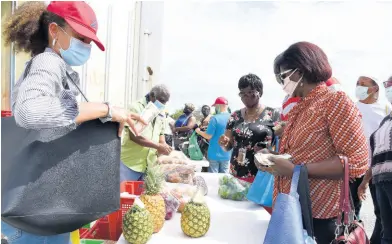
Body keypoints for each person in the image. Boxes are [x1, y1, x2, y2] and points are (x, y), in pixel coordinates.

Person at [1, 1, 145, 243]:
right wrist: (105, 108)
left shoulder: (57, 66)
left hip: (43, 211)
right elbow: (30, 112)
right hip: (36, 218)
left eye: (90, 41)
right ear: (55, 31)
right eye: (82, 38)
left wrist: (104, 113)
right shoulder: (47, 63)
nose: (86, 46)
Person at [259, 42, 368, 244]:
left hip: (322, 213)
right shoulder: (301, 108)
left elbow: (355, 162)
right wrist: (273, 159)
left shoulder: (334, 101)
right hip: (295, 208)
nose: (281, 82)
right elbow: (301, 152)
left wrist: (295, 169)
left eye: (283, 76)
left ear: (300, 72)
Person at [218, 74, 280, 182]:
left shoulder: (273, 114)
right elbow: (228, 146)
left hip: (261, 176)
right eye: (242, 93)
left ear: (259, 92)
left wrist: (269, 151)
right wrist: (224, 143)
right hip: (235, 175)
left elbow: (281, 142)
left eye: (251, 92)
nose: (246, 96)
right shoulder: (235, 116)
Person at [353, 75, 392, 243]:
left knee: (383, 217)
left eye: (363, 84)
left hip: (382, 173)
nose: (359, 87)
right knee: (356, 210)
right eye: (357, 83)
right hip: (366, 171)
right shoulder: (352, 108)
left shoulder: (384, 109)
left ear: (375, 88)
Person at [121, 85, 172, 182]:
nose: (163, 104)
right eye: (161, 100)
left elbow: (161, 133)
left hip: (150, 166)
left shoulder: (161, 112)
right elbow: (134, 136)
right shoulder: (136, 107)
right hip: (130, 164)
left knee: (146, 197)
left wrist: (163, 146)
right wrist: (158, 146)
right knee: (124, 195)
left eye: (165, 102)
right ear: (152, 95)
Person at [369, 77, 392, 244]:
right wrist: (364, 181)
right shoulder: (385, 120)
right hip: (380, 180)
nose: (389, 88)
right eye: (388, 85)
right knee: (387, 232)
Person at [196, 97, 232, 173]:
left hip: (214, 153)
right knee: (224, 180)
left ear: (219, 106)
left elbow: (208, 136)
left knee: (214, 179)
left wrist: (198, 131)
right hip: (227, 153)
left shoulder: (215, 118)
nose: (215, 108)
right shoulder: (233, 118)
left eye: (215, 106)